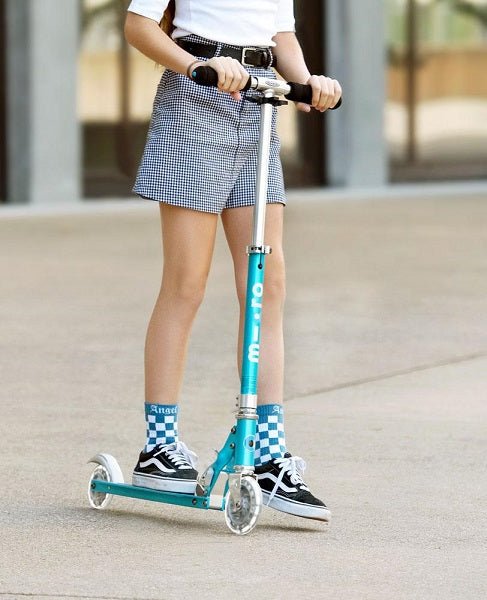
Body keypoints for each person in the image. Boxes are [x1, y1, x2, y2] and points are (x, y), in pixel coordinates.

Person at [124, 0, 341, 522]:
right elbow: (138, 26)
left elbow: (280, 34)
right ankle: (158, 446)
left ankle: (267, 453)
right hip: (196, 101)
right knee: (186, 283)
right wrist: (196, 65)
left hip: (259, 106)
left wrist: (309, 83)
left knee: (267, 285)